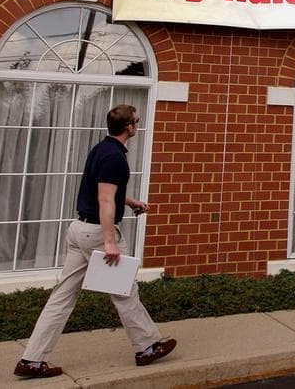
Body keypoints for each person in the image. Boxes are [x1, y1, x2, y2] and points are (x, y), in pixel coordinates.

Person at [14, 104, 176, 378]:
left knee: (63, 296)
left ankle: (31, 359)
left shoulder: (101, 149)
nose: (138, 124)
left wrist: (130, 202)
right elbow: (104, 199)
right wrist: (110, 241)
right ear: (129, 127)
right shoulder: (115, 158)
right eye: (136, 121)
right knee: (124, 291)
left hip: (79, 230)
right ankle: (147, 346)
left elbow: (105, 190)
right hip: (98, 235)